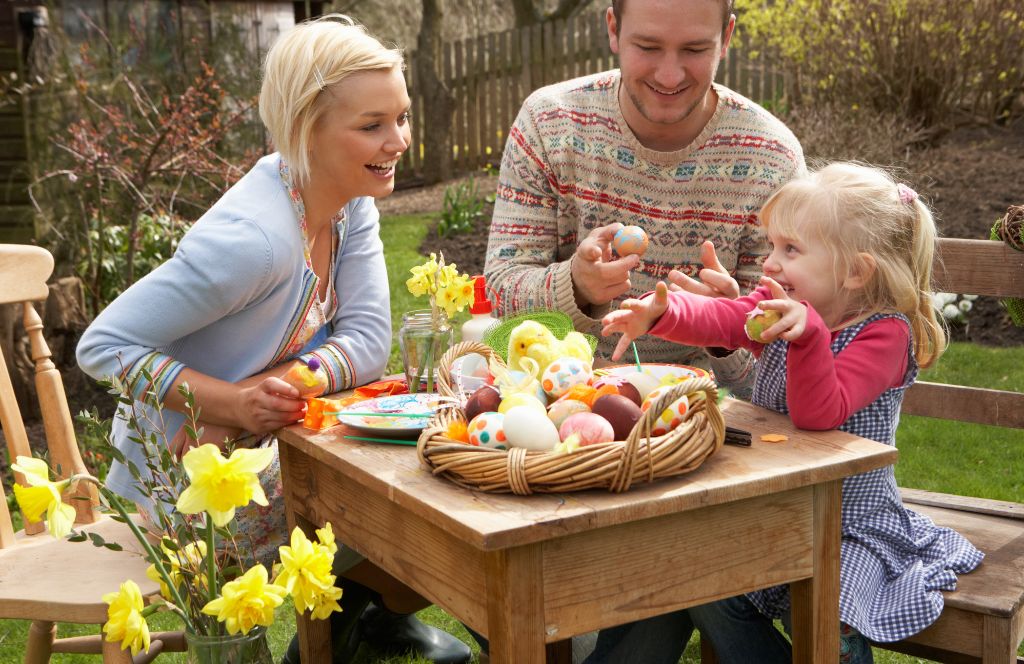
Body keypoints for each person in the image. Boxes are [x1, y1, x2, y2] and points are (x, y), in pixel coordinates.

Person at [76, 15, 471, 664]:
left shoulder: (351, 198)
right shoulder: (252, 239)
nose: (397, 139)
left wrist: (278, 386)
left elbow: (369, 339)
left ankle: (363, 624)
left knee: (417, 484)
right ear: (304, 128)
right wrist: (228, 407)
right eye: (372, 124)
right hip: (177, 493)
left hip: (257, 451)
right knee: (402, 509)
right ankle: (355, 625)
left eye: (401, 117)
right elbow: (103, 346)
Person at [598, 163, 984, 663]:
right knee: (707, 584)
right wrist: (664, 313)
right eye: (773, 247)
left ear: (855, 270)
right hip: (772, 500)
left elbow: (819, 414)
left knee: (826, 613)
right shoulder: (785, 304)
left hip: (846, 521)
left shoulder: (885, 334)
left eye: (791, 250)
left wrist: (809, 338)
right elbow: (727, 318)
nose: (771, 265)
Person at [483, 0, 805, 393]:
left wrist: (724, 330)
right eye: (649, 47)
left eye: (694, 49)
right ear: (613, 28)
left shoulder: (771, 159)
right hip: (561, 405)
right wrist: (576, 287)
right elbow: (500, 293)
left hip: (707, 420)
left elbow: (783, 377)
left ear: (726, 38)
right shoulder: (549, 124)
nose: (669, 76)